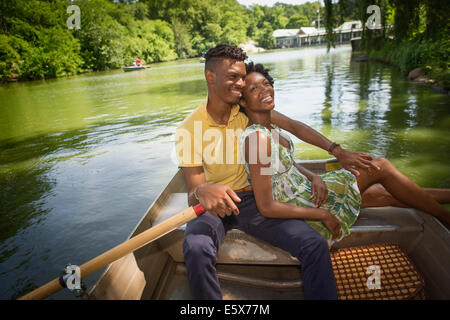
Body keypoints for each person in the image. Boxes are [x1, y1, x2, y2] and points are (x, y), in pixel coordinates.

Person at [175, 44, 381, 300]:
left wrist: (333, 153)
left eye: (242, 77)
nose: (240, 83)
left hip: (252, 200)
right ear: (210, 77)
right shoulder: (189, 130)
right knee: (195, 246)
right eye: (233, 77)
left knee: (313, 243)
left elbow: (295, 128)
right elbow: (194, 193)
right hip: (216, 208)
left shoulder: (246, 110)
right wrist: (204, 189)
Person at [238, 62, 450, 246]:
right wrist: (322, 214)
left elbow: (290, 146)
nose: (264, 90)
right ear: (243, 102)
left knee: (381, 194)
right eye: (254, 88)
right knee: (380, 166)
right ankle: (445, 218)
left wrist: (315, 175)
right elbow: (266, 206)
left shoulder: (268, 121)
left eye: (266, 83)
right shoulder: (257, 138)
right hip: (303, 204)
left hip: (306, 190)